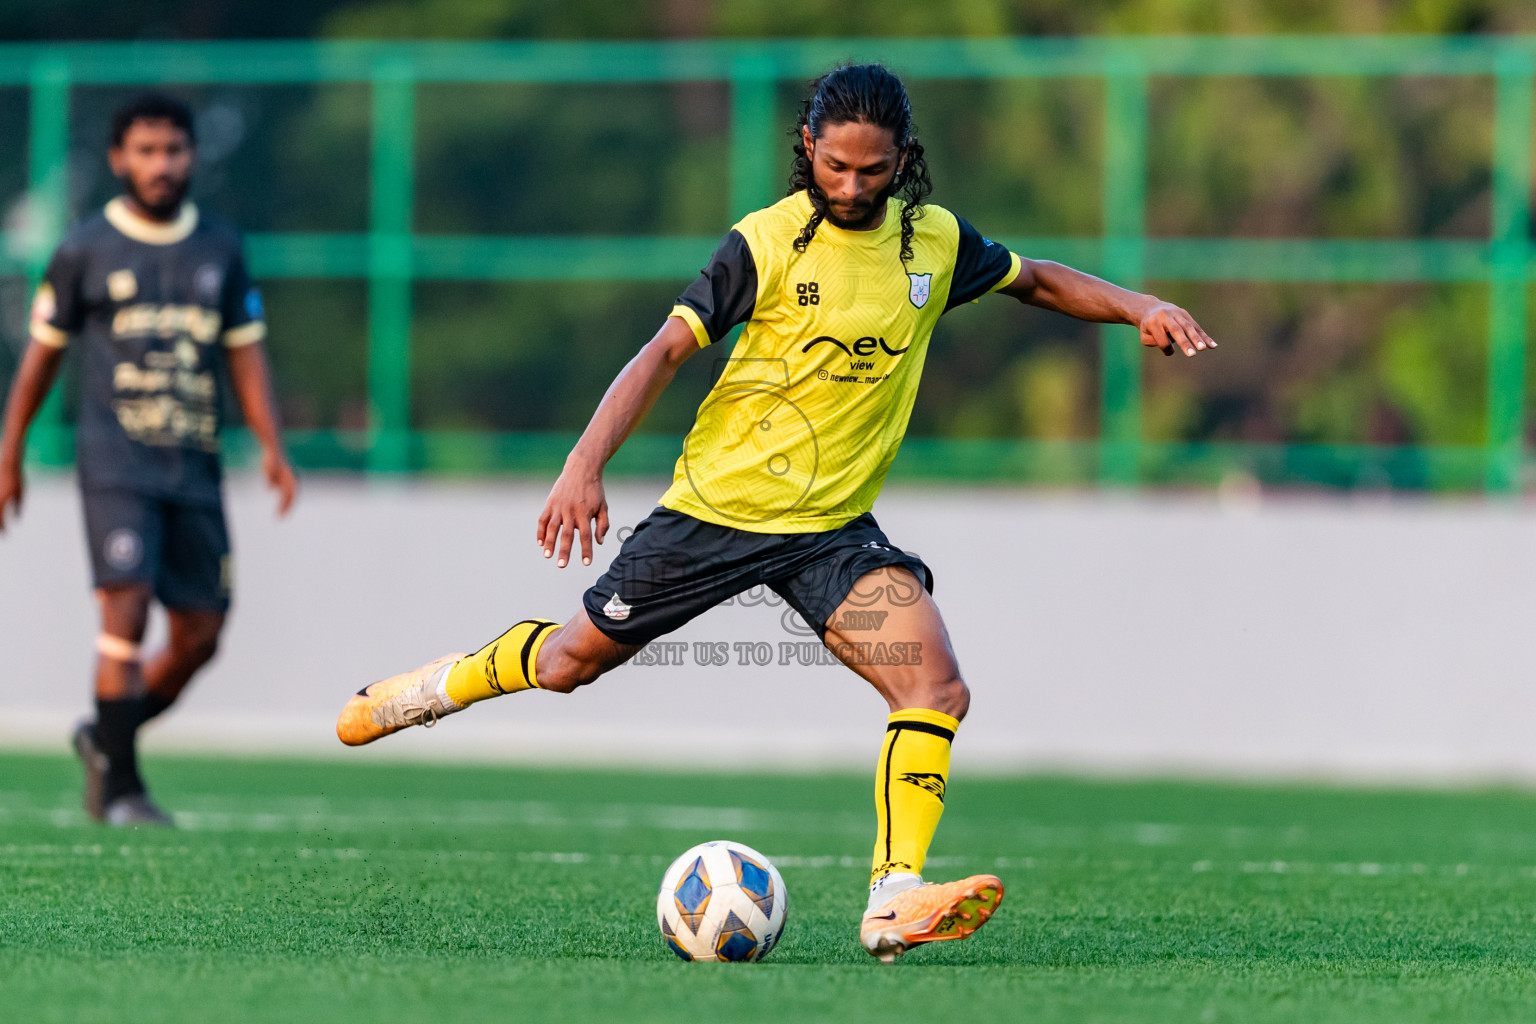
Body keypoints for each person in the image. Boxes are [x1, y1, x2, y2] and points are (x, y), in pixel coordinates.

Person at [335, 64, 1215, 960]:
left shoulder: (933, 243)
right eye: (835, 166)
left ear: (903, 160)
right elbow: (662, 351)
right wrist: (584, 462)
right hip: (717, 511)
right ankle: (430, 691)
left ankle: (893, 898)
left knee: (935, 684)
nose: (852, 187)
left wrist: (1138, 304)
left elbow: (1035, 280)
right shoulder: (766, 244)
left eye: (873, 171)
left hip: (832, 532)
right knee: (568, 664)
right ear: (807, 149)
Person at [0, 93, 297, 826]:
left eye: (174, 150)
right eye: (147, 151)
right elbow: (40, 362)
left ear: (192, 156)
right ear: (118, 159)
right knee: (125, 606)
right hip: (115, 464)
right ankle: (122, 790)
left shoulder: (221, 248)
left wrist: (272, 445)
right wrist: (8, 454)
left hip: (193, 468)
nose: (162, 165)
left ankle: (105, 734)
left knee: (201, 635)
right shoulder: (84, 250)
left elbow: (246, 356)